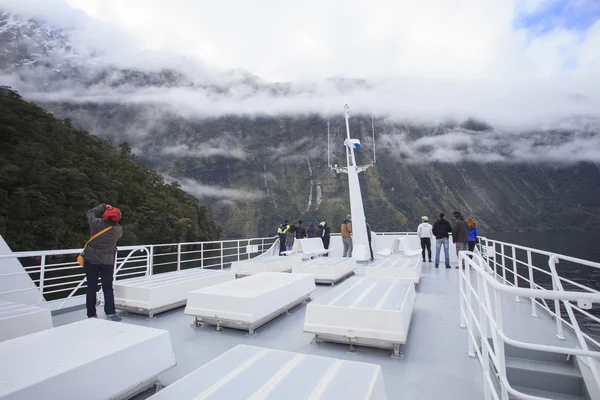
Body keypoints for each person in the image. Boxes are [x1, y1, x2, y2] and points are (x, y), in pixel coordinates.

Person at [84, 203, 123, 321]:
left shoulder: (96, 224)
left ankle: (91, 314)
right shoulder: (118, 230)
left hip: (91, 260)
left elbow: (90, 212)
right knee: (107, 287)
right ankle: (110, 313)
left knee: (91, 287)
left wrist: (103, 207)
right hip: (107, 262)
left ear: (105, 216)